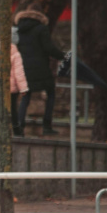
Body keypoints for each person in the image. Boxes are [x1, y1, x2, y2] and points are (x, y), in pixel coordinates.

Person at [15, 7, 65, 135]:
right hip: (41, 68)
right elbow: (49, 48)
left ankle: (19, 126)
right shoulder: (41, 28)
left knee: (25, 96)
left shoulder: (18, 30)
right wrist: (63, 56)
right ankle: (46, 126)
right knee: (51, 93)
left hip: (24, 68)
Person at [0, 38, 28, 135]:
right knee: (12, 108)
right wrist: (23, 88)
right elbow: (19, 72)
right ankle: (16, 128)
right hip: (10, 87)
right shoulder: (15, 53)